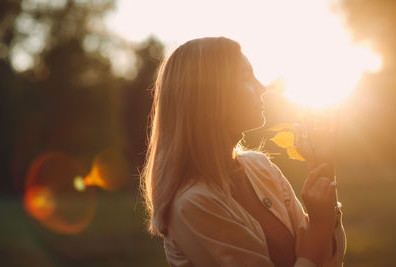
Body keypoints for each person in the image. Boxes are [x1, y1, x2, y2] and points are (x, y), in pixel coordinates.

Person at [140, 36, 346, 267]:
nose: (262, 87)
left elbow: (331, 259)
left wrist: (324, 164)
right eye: (247, 76)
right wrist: (317, 231)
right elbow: (317, 244)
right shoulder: (193, 204)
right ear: (212, 96)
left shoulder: (261, 167)